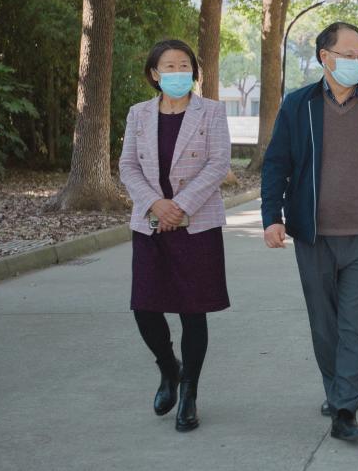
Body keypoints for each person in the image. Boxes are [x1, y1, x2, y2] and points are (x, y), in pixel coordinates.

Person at [261, 22, 358, 442]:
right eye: (349, 55)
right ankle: (337, 387)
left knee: (354, 326)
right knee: (325, 326)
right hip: (315, 235)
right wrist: (272, 216)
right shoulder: (299, 105)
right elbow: (277, 164)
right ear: (325, 57)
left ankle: (345, 407)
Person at [119, 39, 232, 432]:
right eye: (169, 66)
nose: (178, 72)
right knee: (145, 307)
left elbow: (218, 164)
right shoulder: (138, 114)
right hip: (150, 224)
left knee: (192, 311)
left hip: (196, 225)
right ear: (155, 74)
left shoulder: (211, 112)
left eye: (185, 65)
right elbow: (128, 166)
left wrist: (179, 206)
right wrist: (156, 204)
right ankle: (169, 368)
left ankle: (189, 393)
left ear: (194, 71)